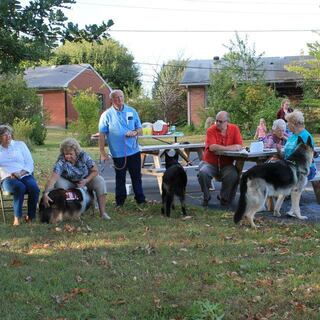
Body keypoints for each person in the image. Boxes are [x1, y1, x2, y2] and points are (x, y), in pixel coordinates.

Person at [98, 89, 146, 207]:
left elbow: (140, 129)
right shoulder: (106, 115)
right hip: (118, 153)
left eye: (121, 97)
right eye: (116, 97)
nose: (119, 99)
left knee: (136, 176)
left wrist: (134, 132)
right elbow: (102, 135)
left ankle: (140, 199)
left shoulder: (132, 111)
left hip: (134, 150)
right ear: (112, 99)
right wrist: (103, 152)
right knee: (120, 177)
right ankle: (120, 201)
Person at [43, 137, 110, 220]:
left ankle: (102, 213)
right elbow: (53, 179)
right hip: (68, 182)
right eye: (66, 154)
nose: (68, 156)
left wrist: (86, 180)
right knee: (59, 183)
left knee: (100, 181)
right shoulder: (61, 160)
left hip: (85, 179)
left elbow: (95, 171)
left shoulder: (83, 156)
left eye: (71, 154)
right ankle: (67, 212)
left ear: (76, 152)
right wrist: (46, 193)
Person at [198, 111, 243, 207]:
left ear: (227, 122)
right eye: (216, 121)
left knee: (233, 174)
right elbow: (212, 147)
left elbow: (239, 145)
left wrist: (227, 147)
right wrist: (229, 148)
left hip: (226, 164)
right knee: (202, 173)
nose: (217, 123)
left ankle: (224, 198)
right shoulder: (211, 130)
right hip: (210, 163)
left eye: (220, 121)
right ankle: (206, 196)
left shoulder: (234, 129)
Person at [0, 125, 40, 225]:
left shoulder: (20, 145)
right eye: (4, 134)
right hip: (7, 178)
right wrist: (9, 175)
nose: (8, 136)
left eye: (9, 133)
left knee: (34, 188)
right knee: (19, 187)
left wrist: (20, 173)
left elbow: (29, 162)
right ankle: (17, 217)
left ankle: (31, 217)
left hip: (24, 174)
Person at [283, 110, 317, 180]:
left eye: (288, 122)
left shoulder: (305, 136)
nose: (286, 124)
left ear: (293, 124)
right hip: (290, 167)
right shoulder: (293, 135)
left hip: (303, 169)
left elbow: (304, 159)